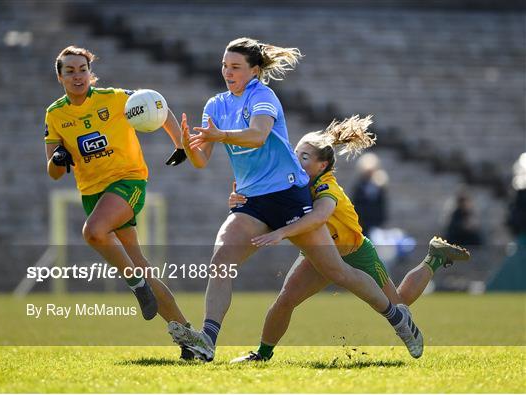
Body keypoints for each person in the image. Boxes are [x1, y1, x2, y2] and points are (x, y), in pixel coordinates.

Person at [167, 37, 424, 361]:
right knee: (221, 260)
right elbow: (201, 160)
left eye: (235, 67)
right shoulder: (215, 105)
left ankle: (398, 317)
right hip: (253, 201)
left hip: (288, 195)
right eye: (224, 66)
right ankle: (207, 341)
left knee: (337, 271)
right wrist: (186, 143)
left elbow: (258, 135)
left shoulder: (263, 95)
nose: (227, 72)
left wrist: (220, 135)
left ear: (255, 71)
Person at [226, 115, 470, 362]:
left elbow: (319, 217)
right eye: (296, 153)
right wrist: (238, 198)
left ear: (321, 166)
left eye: (304, 157)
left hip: (355, 252)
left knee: (399, 303)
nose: (296, 160)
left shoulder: (326, 187)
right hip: (318, 252)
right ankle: (261, 355)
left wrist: (281, 232)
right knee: (286, 299)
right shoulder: (292, 181)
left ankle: (434, 258)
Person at [44, 45, 193, 357]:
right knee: (142, 263)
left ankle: (135, 284)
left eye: (82, 69)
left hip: (128, 181)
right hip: (92, 193)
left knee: (93, 232)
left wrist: (179, 142)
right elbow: (54, 172)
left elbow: (156, 105)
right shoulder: (55, 114)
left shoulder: (113, 98)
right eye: (69, 71)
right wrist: (59, 157)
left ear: (90, 73)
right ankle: (189, 338)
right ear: (59, 77)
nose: (77, 76)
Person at [352, 152, 388, 237]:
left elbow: (382, 205)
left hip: (375, 222)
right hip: (362, 223)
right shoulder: (359, 185)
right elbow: (355, 203)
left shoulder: (379, 184)